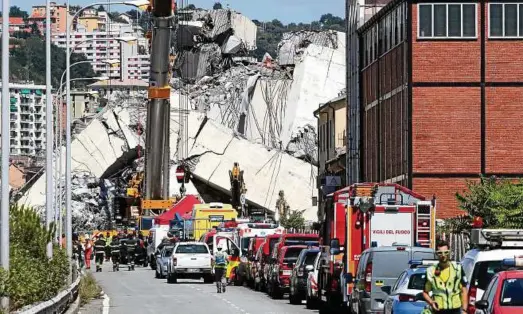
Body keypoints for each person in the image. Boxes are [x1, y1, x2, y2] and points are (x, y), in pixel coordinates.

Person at [422, 240, 468, 314]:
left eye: (446, 252)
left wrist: (464, 310)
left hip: (455, 310)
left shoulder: (457, 269)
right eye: (440, 253)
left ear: (449, 252)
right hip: (439, 311)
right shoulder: (430, 271)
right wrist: (431, 302)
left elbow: (464, 290)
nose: (443, 255)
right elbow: (425, 292)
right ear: (436, 254)